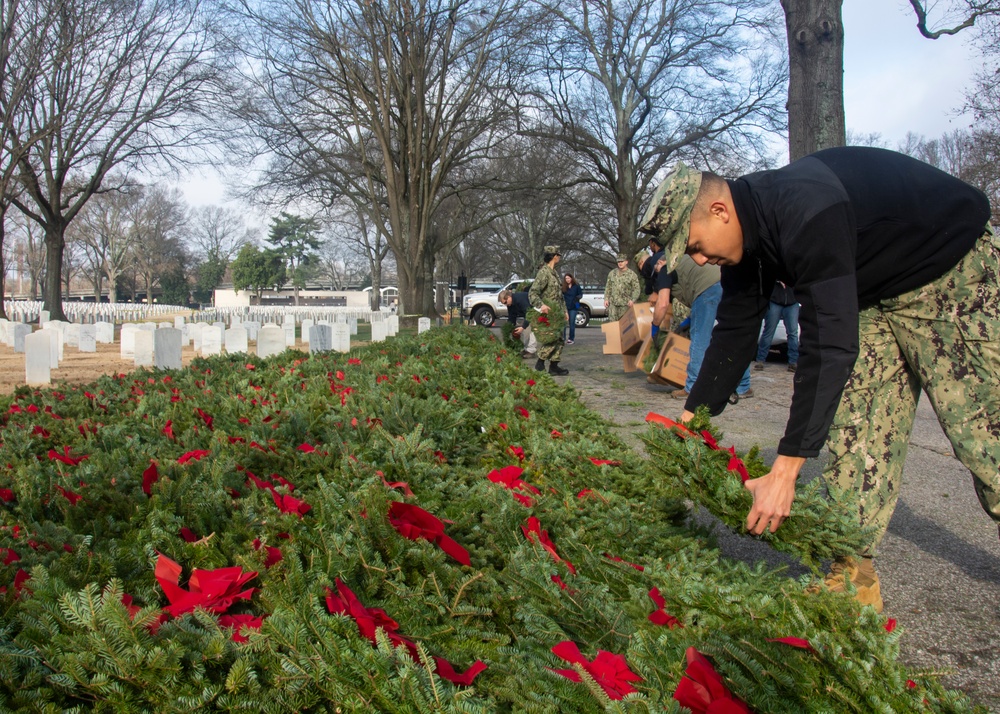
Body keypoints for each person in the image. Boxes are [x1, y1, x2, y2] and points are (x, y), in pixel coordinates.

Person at [638, 147, 999, 613]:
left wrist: (786, 469)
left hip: (949, 275)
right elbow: (735, 330)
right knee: (859, 434)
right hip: (871, 294)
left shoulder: (804, 209)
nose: (700, 260)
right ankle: (852, 575)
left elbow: (828, 346)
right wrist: (690, 420)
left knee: (984, 432)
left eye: (695, 246)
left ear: (719, 210)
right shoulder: (747, 239)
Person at [649, 254, 752, 401]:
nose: (657, 272)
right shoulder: (684, 259)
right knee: (733, 337)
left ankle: (693, 388)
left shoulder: (666, 268)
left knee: (699, 339)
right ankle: (743, 386)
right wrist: (687, 321)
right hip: (727, 283)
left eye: (656, 268)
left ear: (660, 261)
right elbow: (696, 287)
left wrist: (655, 327)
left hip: (708, 290)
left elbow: (663, 303)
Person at [529, 245, 569, 375]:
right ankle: (540, 363)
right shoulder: (544, 273)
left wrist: (565, 311)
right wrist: (541, 306)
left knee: (560, 339)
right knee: (552, 338)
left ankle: (554, 366)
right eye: (558, 255)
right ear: (554, 257)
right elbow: (533, 293)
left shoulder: (554, 273)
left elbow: (560, 296)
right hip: (548, 313)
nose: (559, 258)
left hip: (557, 313)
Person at [755, 281, 800, 372]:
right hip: (775, 300)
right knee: (769, 332)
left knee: (793, 334)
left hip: (792, 301)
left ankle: (793, 362)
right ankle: (760, 360)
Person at [499, 289, 537, 358]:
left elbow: (529, 313)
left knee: (530, 329)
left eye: (505, 302)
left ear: (509, 297)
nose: (505, 304)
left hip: (536, 311)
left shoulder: (520, 299)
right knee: (525, 330)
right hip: (528, 314)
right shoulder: (510, 304)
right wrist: (510, 327)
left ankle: (531, 351)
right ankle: (526, 349)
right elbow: (512, 316)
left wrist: (523, 327)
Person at [604, 253, 641, 321]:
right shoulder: (612, 273)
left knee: (625, 326)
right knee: (613, 325)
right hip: (613, 305)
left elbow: (636, 289)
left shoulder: (632, 275)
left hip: (625, 305)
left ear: (626, 262)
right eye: (618, 262)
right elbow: (608, 287)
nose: (620, 263)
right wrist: (606, 298)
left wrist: (633, 300)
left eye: (622, 261)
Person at [562, 273, 583, 344]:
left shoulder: (576, 286)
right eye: (566, 278)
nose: (567, 280)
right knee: (564, 323)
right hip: (565, 307)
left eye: (568, 278)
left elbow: (580, 294)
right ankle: (563, 338)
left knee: (572, 323)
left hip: (574, 306)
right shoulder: (563, 287)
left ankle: (571, 338)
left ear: (571, 278)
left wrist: (577, 299)